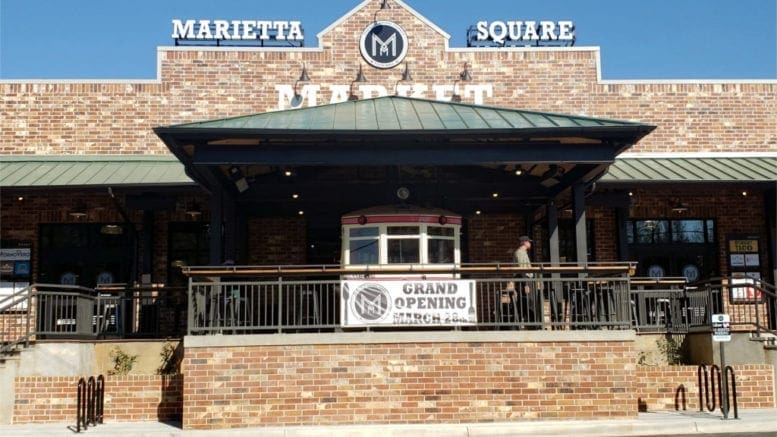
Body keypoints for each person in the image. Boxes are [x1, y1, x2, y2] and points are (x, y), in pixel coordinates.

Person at [512, 235, 537, 326]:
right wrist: (526, 283)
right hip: (523, 278)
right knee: (526, 300)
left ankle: (526, 321)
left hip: (524, 278)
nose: (530, 243)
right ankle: (525, 322)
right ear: (524, 243)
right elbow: (522, 268)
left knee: (526, 300)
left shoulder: (523, 252)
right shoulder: (520, 253)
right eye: (528, 242)